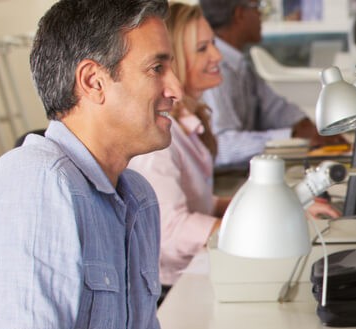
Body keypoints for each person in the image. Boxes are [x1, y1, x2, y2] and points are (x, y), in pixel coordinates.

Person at [0, 0, 177, 329]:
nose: (175, 89)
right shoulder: (38, 181)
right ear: (93, 81)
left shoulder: (140, 199)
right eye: (157, 68)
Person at [128, 3, 340, 291]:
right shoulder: (162, 139)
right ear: (174, 61)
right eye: (202, 49)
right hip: (173, 289)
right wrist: (259, 227)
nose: (217, 55)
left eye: (213, 45)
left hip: (197, 272)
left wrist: (279, 207)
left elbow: (204, 203)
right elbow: (173, 230)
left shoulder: (191, 123)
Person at [197, 0, 344, 169]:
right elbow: (221, 145)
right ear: (240, 14)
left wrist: (304, 125)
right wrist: (291, 136)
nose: (261, 16)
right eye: (258, 8)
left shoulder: (240, 65)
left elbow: (274, 108)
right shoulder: (216, 71)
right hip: (225, 181)